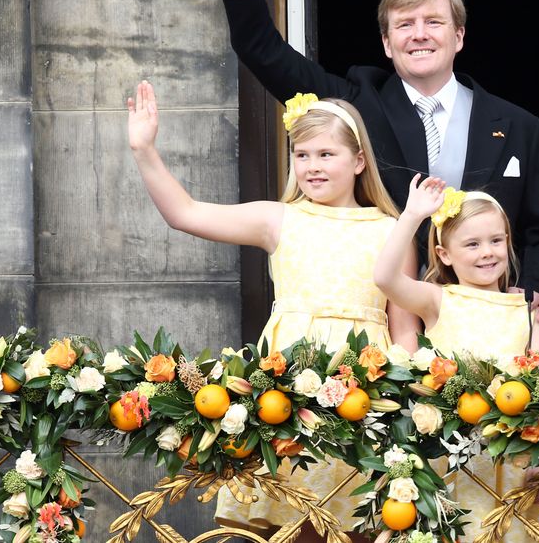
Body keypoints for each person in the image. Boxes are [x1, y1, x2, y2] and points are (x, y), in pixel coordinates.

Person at [216, 0, 539, 330]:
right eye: (404, 25)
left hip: (489, 323)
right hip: (387, 322)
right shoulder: (359, 102)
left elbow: (535, 233)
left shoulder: (518, 125)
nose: (419, 35)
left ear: (459, 37)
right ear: (386, 43)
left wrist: (535, 297)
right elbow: (262, 50)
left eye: (433, 22)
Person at [127, 83, 416, 541]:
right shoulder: (279, 218)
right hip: (284, 389)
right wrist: (144, 149)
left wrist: (405, 408)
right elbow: (185, 213)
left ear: (359, 161)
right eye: (302, 155)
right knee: (290, 521)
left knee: (361, 518)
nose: (312, 166)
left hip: (364, 387)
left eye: (326, 154)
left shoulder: (391, 229)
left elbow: (405, 332)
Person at [372, 176, 539, 542]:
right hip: (448, 457)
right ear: (445, 254)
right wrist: (412, 215)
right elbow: (384, 277)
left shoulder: (526, 311)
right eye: (471, 244)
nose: (487, 252)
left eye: (496, 240)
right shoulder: (438, 300)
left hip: (509, 462)